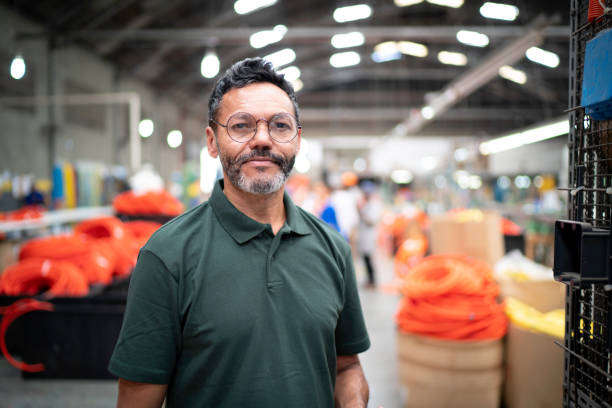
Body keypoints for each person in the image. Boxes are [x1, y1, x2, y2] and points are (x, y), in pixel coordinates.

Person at [108, 57, 371, 408]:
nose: (262, 140)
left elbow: (347, 366)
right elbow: (139, 398)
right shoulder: (168, 255)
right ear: (212, 142)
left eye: (280, 126)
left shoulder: (332, 249)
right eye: (242, 126)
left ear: (296, 140)